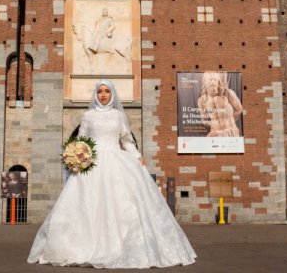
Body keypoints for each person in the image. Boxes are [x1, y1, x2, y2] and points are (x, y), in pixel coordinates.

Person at [28, 80, 196, 268]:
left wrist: (137, 157)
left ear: (112, 94)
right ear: (96, 94)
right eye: (100, 91)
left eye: (107, 91)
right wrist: (76, 155)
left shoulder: (118, 116)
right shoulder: (88, 115)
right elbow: (81, 140)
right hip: (92, 164)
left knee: (123, 203)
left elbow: (127, 140)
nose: (103, 95)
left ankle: (122, 246)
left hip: (117, 161)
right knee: (88, 204)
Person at [198, 72, 243, 137]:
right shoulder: (202, 100)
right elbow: (204, 120)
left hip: (230, 131)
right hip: (215, 133)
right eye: (210, 80)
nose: (213, 82)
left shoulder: (228, 93)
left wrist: (229, 118)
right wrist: (215, 122)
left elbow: (239, 109)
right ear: (205, 82)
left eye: (215, 80)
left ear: (218, 82)